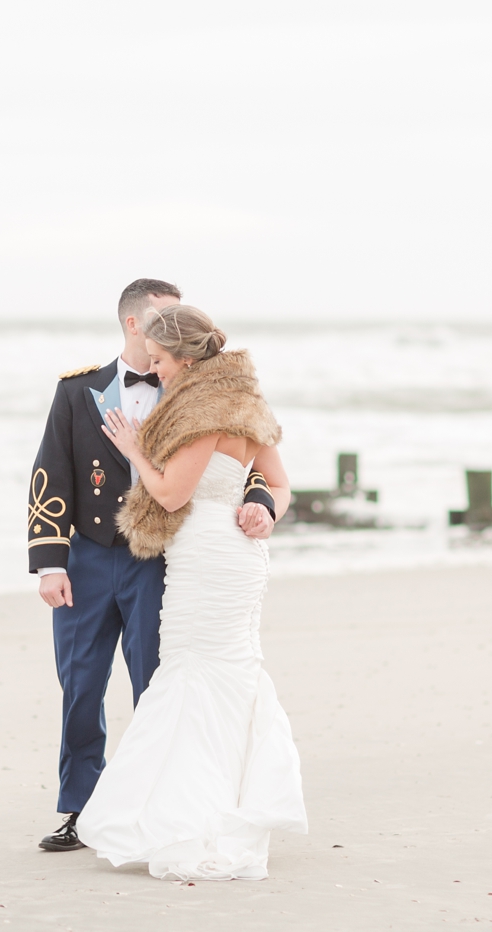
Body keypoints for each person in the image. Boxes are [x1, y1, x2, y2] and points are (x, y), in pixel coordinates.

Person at [76, 304, 307, 880]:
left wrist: (133, 450)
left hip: (206, 551)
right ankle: (230, 803)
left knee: (193, 672)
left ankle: (194, 814)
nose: (153, 372)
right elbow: (278, 482)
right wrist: (265, 510)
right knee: (228, 672)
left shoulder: (203, 407)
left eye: (158, 361)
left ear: (182, 356)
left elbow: (174, 495)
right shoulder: (246, 398)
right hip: (239, 552)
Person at [25, 278, 181, 852]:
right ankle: (80, 810)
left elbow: (238, 452)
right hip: (87, 560)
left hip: (160, 561)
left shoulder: (193, 390)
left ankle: (152, 808)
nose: (177, 326)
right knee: (81, 686)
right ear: (133, 324)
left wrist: (261, 501)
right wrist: (49, 562)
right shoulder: (76, 391)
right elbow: (50, 473)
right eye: (165, 317)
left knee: (155, 686)